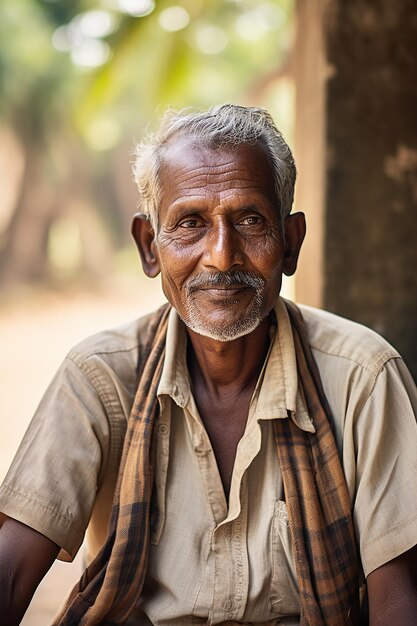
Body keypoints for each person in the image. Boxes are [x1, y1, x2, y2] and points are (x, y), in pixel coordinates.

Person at [0, 104, 416, 626]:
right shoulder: (100, 376)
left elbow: (401, 599)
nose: (222, 256)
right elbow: (12, 572)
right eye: (190, 223)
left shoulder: (364, 378)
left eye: (250, 220)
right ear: (150, 248)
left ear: (290, 244)